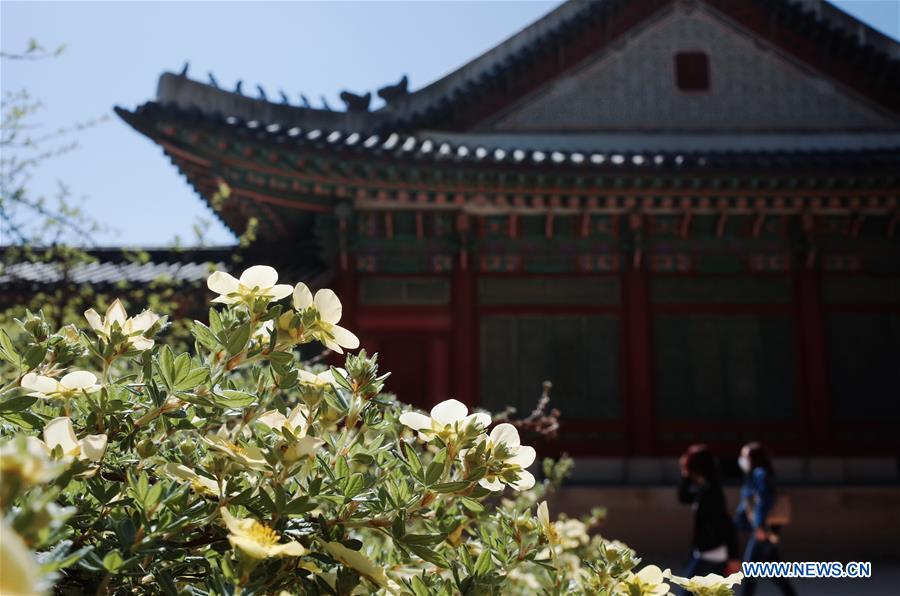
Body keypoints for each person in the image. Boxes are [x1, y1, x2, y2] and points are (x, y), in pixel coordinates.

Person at [735, 442, 797, 596]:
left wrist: (759, 526)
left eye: (745, 456)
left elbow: (763, 501)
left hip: (762, 530)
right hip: (762, 529)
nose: (742, 459)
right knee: (775, 572)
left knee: (750, 571)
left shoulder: (760, 474)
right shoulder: (754, 474)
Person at [677, 444, 740, 593]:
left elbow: (726, 525)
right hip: (705, 551)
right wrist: (685, 476)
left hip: (712, 552)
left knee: (687, 591)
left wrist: (733, 557)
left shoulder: (711, 492)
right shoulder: (703, 487)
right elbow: (684, 498)